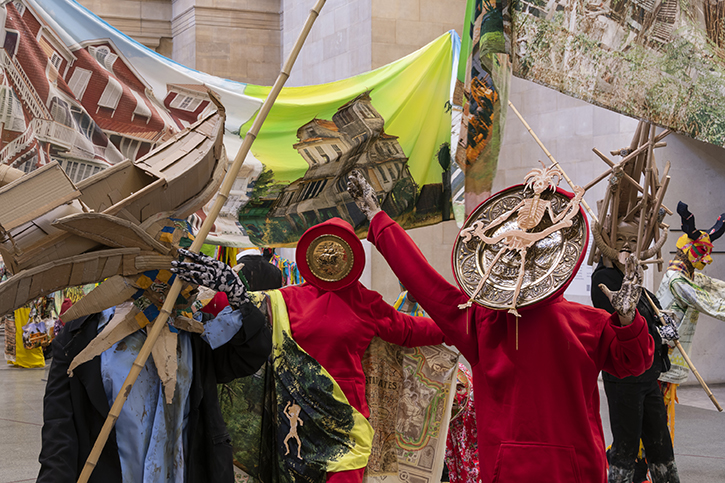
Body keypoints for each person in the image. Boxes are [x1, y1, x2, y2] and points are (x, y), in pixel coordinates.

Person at [347, 170, 654, 483]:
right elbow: (426, 284)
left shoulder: (582, 323)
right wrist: (378, 220)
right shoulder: (487, 320)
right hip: (525, 469)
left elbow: (635, 361)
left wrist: (629, 318)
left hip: (562, 470)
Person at [172, 217, 446, 483]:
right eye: (324, 253)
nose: (329, 259)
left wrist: (463, 326)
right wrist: (186, 294)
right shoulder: (284, 299)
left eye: (335, 253)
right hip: (296, 417)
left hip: (345, 420)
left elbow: (409, 330)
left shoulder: (368, 302)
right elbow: (232, 305)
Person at [37, 265, 272, 483]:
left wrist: (238, 296)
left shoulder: (194, 329)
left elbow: (250, 354)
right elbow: (59, 430)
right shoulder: (79, 337)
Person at [591, 221, 679, 483]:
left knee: (659, 439)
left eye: (632, 239)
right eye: (619, 239)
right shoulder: (605, 279)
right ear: (607, 244)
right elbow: (619, 321)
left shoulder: (637, 280)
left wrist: (664, 327)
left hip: (648, 374)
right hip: (624, 375)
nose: (627, 246)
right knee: (627, 442)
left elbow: (652, 318)